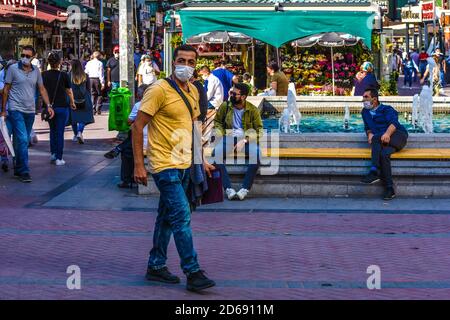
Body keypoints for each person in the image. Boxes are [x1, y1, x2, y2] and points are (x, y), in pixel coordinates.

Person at [132, 44, 216, 292]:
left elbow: (194, 128)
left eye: (191, 62)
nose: (186, 66)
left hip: (185, 163)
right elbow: (137, 127)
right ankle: (192, 271)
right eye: (182, 60)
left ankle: (156, 265)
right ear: (172, 62)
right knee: (181, 216)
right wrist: (139, 164)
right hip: (164, 164)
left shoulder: (192, 90)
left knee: (166, 218)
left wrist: (201, 159)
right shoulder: (158, 89)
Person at [1, 46, 55, 182]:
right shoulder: (13, 69)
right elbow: (6, 89)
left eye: (27, 55)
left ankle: (18, 166)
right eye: (23, 54)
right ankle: (24, 171)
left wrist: (48, 105)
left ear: (33, 57)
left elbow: (41, 89)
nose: (24, 57)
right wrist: (3, 109)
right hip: (15, 109)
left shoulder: (36, 71)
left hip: (29, 110)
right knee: (23, 139)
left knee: (20, 141)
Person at [212, 83, 263, 201]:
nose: (231, 95)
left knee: (256, 157)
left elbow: (259, 130)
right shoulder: (225, 106)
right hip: (227, 137)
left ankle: (244, 189)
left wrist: (245, 140)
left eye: (234, 93)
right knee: (216, 155)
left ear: (243, 96)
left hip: (246, 140)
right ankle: (228, 189)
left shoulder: (252, 109)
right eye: (231, 92)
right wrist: (219, 133)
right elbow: (217, 122)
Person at [360, 88, 408, 200]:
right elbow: (367, 127)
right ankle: (389, 189)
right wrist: (369, 134)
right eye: (363, 97)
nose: (363, 99)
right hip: (383, 141)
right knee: (384, 155)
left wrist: (387, 134)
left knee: (376, 139)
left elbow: (394, 123)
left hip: (397, 136)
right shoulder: (365, 112)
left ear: (374, 99)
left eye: (366, 97)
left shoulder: (386, 109)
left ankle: (374, 170)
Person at [42, 52, 76, 166]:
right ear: (59, 62)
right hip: (62, 106)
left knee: (52, 130)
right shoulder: (64, 75)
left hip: (49, 107)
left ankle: (53, 153)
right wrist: (72, 102)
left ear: (49, 62)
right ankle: (59, 157)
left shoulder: (43, 75)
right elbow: (69, 91)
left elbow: (42, 90)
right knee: (60, 132)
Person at [116, 84, 150, 189]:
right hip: (154, 141)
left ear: (139, 95)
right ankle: (119, 148)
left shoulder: (139, 105)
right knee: (130, 141)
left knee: (127, 151)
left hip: (145, 144)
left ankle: (126, 180)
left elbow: (129, 121)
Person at [70, 59, 95, 144]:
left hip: (72, 98)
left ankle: (75, 134)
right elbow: (88, 89)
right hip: (84, 98)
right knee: (84, 117)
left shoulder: (68, 75)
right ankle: (80, 132)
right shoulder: (85, 76)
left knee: (73, 118)